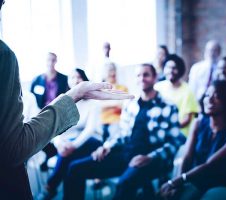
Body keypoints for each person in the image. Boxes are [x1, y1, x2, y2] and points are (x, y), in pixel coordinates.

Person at [0, 1, 133, 198]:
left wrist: (70, 142)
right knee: (68, 161)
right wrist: (61, 138)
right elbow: (13, 149)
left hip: (88, 139)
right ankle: (52, 187)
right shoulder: (4, 56)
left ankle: (50, 188)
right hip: (63, 141)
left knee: (71, 162)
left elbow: (90, 130)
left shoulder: (98, 100)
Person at [62, 64, 184, 200]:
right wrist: (106, 146)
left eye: (146, 75)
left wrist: (150, 157)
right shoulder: (131, 104)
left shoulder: (168, 106)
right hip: (126, 154)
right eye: (138, 75)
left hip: (152, 159)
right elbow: (122, 134)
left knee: (124, 184)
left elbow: (175, 142)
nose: (142, 78)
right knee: (75, 168)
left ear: (155, 78)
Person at [160, 80, 226, 200]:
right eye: (207, 95)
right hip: (199, 180)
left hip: (225, 184)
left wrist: (176, 182)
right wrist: (178, 184)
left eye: (217, 96)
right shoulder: (198, 123)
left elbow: (209, 165)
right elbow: (187, 156)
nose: (209, 100)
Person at [37, 68, 106, 199]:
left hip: (91, 142)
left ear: (84, 80)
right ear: (68, 82)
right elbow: (54, 128)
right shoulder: (63, 102)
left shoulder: (93, 103)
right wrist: (59, 143)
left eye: (79, 77)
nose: (75, 80)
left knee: (68, 155)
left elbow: (89, 130)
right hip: (68, 147)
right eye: (72, 77)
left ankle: (50, 187)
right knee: (71, 166)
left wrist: (72, 146)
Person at [30, 52, 69, 170]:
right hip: (41, 115)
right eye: (48, 60)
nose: (51, 63)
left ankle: (55, 157)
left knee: (56, 135)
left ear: (56, 61)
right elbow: (31, 100)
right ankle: (49, 156)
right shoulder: (37, 80)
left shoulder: (64, 79)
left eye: (53, 60)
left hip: (58, 113)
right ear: (45, 61)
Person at [155, 54, 199, 137]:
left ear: (180, 70)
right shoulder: (157, 87)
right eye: (168, 67)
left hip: (180, 135)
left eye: (174, 68)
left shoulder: (188, 90)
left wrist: (168, 129)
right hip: (160, 134)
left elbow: (187, 119)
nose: (170, 71)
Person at [100, 62, 128, 140]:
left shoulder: (123, 88)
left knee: (114, 137)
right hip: (101, 121)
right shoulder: (99, 89)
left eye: (113, 70)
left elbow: (123, 105)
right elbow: (97, 106)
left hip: (116, 120)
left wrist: (105, 103)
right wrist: (115, 102)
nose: (112, 73)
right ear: (104, 73)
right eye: (109, 71)